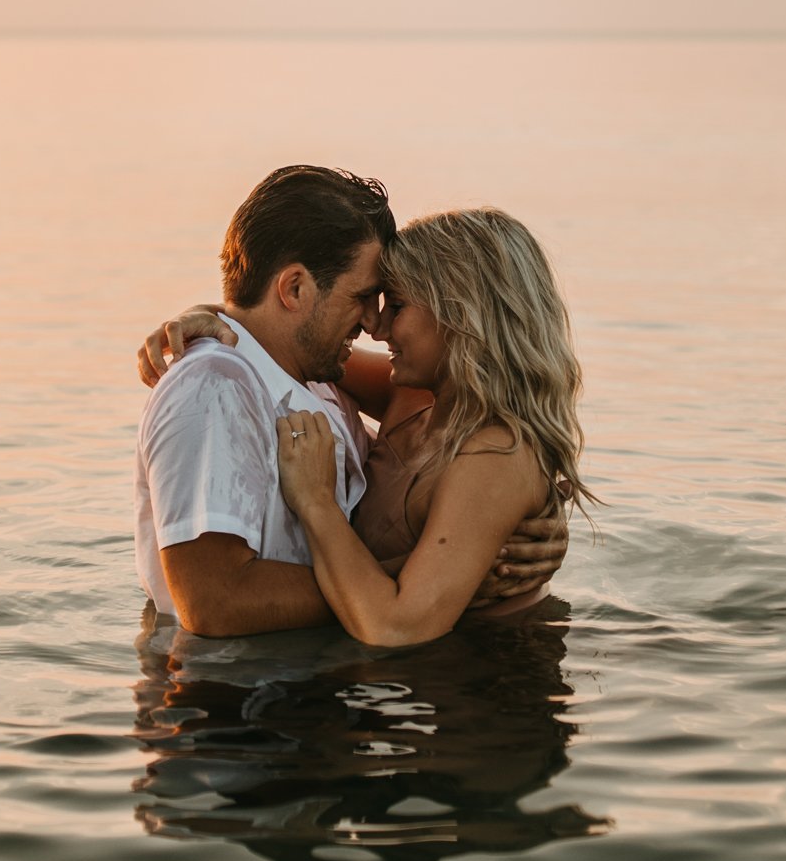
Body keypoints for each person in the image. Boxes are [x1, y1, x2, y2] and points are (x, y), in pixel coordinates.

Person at [134, 166, 567, 637]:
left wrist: (472, 549)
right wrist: (216, 317)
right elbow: (259, 335)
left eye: (392, 305)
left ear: (463, 318)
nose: (375, 325)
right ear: (295, 288)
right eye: (365, 297)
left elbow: (397, 619)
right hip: (315, 685)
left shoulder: (472, 436)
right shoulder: (229, 384)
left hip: (475, 679)